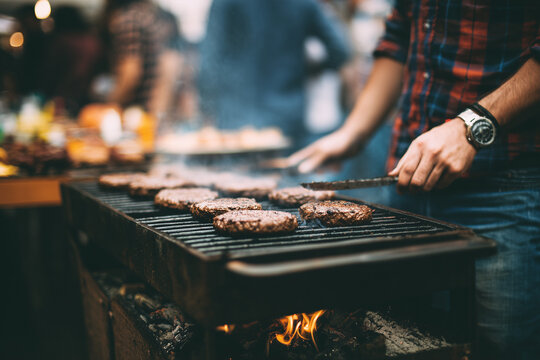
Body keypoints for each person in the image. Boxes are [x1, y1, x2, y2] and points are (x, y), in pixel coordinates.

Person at [287, 1, 540, 359]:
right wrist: (353, 132)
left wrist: (473, 126)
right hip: (409, 184)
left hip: (503, 188)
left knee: (500, 349)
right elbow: (399, 38)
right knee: (409, 341)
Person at [198, 0, 350, 143]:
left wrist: (207, 109)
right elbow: (340, 50)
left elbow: (210, 60)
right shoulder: (302, 3)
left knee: (232, 170)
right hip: (286, 115)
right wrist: (308, 70)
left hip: (235, 120)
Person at [105, 0, 182, 118]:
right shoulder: (153, 17)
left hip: (136, 114)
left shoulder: (129, 19)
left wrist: (106, 107)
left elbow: (130, 74)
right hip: (152, 113)